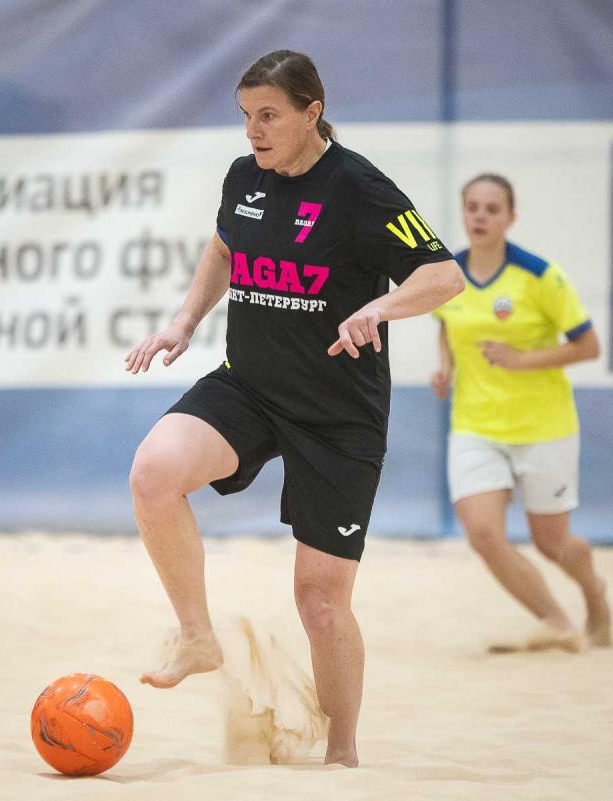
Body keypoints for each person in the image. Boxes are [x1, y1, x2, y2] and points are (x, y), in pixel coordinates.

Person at [124, 49, 464, 767]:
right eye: (246, 115)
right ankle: (197, 636)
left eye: (269, 115)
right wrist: (185, 321)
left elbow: (443, 276)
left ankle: (341, 755)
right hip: (249, 385)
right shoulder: (243, 176)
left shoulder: (359, 187)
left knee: (320, 600)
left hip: (337, 413)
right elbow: (224, 248)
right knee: (153, 472)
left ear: (313, 112)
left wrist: (380, 306)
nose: (254, 129)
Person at [430, 173, 612, 654]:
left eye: (492, 209)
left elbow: (589, 346)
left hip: (544, 427)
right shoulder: (446, 273)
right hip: (475, 426)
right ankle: (557, 622)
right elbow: (447, 325)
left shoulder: (540, 275)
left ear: (511, 218)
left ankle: (593, 590)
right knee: (483, 534)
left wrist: (521, 359)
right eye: (472, 207)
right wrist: (445, 367)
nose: (480, 217)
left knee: (552, 544)